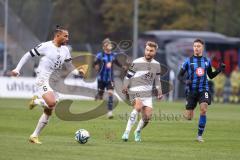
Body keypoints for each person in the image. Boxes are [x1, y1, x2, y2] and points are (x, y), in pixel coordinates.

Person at [10, 25, 81, 144]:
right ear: (57, 35)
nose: (67, 39)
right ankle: (37, 101)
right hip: (43, 78)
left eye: (68, 36)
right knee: (52, 103)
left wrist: (78, 72)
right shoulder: (46, 46)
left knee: (49, 110)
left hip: (55, 81)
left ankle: (34, 136)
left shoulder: (65, 50)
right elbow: (28, 54)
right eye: (65, 36)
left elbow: (69, 65)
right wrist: (17, 69)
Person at [178, 39, 225, 142]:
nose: (196, 48)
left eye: (198, 46)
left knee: (203, 110)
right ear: (193, 47)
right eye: (195, 46)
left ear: (202, 48)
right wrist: (186, 82)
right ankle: (188, 104)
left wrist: (219, 70)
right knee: (189, 117)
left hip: (203, 89)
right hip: (191, 91)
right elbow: (179, 76)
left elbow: (210, 75)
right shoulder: (188, 61)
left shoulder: (206, 61)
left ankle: (199, 136)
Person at [121, 41, 163, 142]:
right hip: (135, 90)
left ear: (155, 52)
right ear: (145, 50)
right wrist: (125, 85)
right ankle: (126, 132)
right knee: (138, 107)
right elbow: (128, 76)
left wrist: (159, 91)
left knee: (147, 117)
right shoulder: (137, 62)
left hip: (147, 94)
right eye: (147, 50)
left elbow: (157, 80)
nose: (148, 52)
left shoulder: (157, 65)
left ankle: (138, 131)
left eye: (151, 51)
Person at [93, 38, 122, 119]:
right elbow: (94, 64)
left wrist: (123, 66)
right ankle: (98, 95)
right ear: (104, 47)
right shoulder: (100, 55)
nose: (110, 45)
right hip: (101, 79)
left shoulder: (114, 55)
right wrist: (97, 66)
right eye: (108, 44)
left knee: (110, 93)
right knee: (100, 96)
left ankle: (109, 112)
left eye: (110, 44)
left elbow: (117, 63)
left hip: (110, 79)